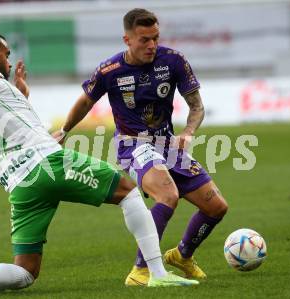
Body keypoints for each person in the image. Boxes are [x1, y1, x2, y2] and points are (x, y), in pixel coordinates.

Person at [0, 30, 199, 299]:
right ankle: (156, 273)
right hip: (46, 164)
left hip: (20, 186)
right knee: (128, 191)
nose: (9, 62)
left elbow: (5, 125)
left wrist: (21, 96)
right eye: (7, 54)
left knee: (25, 272)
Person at [54, 8, 228, 285]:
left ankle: (182, 256)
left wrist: (189, 132)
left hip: (168, 144)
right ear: (127, 40)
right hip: (131, 144)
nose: (151, 45)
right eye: (144, 39)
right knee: (167, 195)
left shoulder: (173, 61)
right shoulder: (110, 70)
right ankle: (141, 271)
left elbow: (196, 105)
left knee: (217, 207)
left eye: (155, 38)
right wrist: (64, 130)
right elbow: (86, 101)